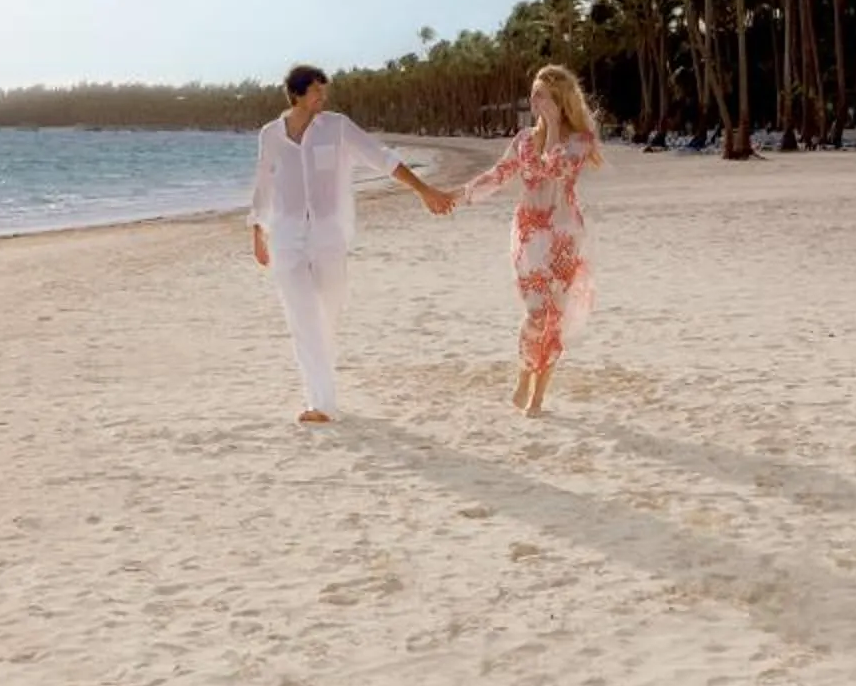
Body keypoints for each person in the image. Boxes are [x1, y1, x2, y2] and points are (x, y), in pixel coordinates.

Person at [250, 65, 449, 424]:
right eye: (316, 92)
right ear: (296, 95)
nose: (322, 99)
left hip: (328, 236)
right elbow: (264, 184)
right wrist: (257, 231)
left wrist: (423, 189)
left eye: (324, 92)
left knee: (327, 315)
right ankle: (321, 403)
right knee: (303, 317)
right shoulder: (270, 135)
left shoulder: (337, 127)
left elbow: (382, 157)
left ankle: (322, 391)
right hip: (286, 237)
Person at [446, 64, 601, 416]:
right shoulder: (523, 140)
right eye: (533, 93)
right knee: (536, 313)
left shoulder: (580, 140)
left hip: (563, 236)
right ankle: (522, 378)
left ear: (559, 100)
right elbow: (499, 175)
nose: (534, 100)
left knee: (555, 317)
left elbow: (553, 167)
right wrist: (459, 195)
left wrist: (554, 129)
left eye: (541, 94)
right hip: (529, 236)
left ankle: (538, 398)